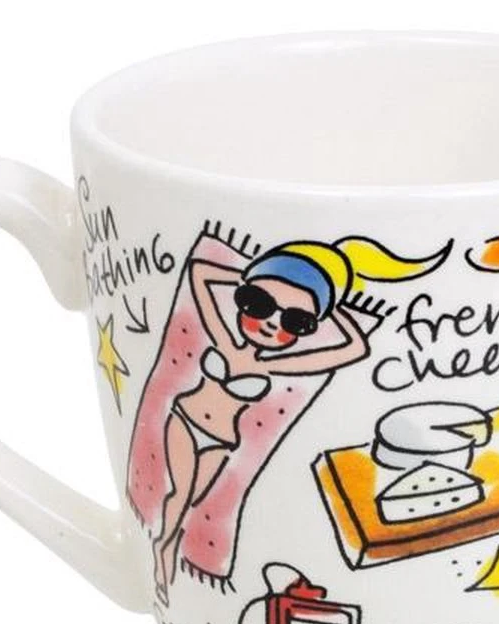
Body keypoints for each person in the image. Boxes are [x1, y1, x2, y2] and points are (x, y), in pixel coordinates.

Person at [154, 236, 448, 601]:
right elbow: (199, 272)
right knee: (180, 494)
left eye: (296, 321)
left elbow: (355, 347)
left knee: (191, 501)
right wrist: (249, 277)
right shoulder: (225, 340)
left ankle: (169, 544)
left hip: (222, 440)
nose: (270, 323)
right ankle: (164, 549)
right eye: (259, 304)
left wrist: (328, 307)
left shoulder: (275, 364)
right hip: (187, 419)